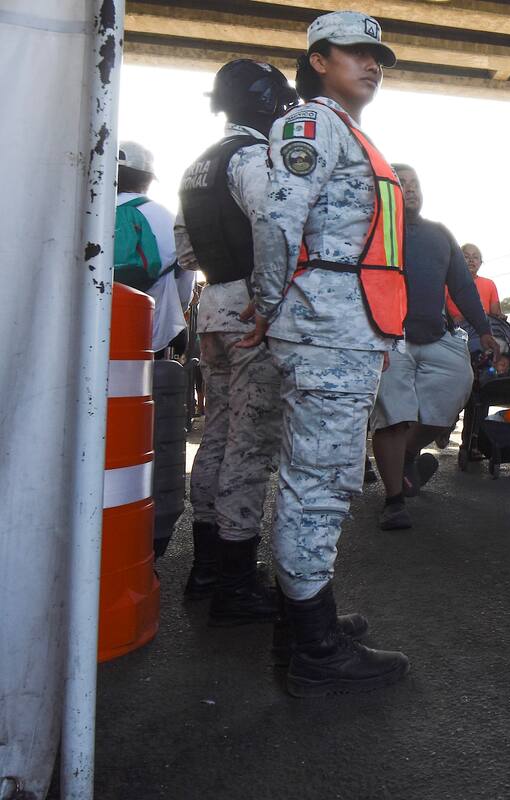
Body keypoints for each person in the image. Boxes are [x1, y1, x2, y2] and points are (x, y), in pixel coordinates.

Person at [240, 10, 410, 697]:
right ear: (318, 58)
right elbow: (278, 220)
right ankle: (313, 650)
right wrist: (271, 302)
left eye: (379, 58)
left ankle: (304, 620)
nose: (371, 65)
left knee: (314, 479)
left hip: (344, 327)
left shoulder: (342, 130)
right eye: (355, 53)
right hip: (326, 327)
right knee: (322, 485)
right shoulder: (309, 125)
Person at [174, 59, 298, 627]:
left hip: (214, 307)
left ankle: (206, 568)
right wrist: (269, 299)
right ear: (265, 100)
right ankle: (237, 583)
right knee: (250, 445)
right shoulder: (253, 156)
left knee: (218, 437)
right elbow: (274, 225)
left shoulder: (197, 163)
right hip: (252, 311)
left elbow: (185, 250)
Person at [370, 164, 498, 531]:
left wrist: (485, 329)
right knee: (393, 416)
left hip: (436, 335)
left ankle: (407, 455)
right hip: (388, 338)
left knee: (456, 390)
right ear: (387, 191)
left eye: (414, 184)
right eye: (401, 184)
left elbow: (462, 286)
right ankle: (394, 500)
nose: (409, 189)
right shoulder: (375, 230)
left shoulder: (440, 234)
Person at [114, 142, 195, 356]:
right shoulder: (168, 219)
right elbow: (185, 280)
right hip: (152, 329)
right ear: (148, 179)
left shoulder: (88, 216)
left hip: (90, 330)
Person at [447, 243, 502, 323]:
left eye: (475, 257)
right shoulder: (447, 285)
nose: (471, 260)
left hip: (486, 329)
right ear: (457, 261)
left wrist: (500, 317)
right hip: (458, 331)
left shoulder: (489, 284)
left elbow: (496, 314)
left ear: (480, 262)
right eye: (466, 257)